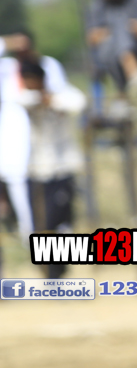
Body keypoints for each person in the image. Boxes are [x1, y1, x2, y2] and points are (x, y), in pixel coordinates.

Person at [15, 58, 86, 279]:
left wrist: (52, 99)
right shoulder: (27, 97)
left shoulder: (61, 95)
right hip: (37, 170)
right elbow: (24, 99)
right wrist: (44, 99)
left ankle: (58, 271)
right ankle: (50, 273)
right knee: (40, 226)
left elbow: (78, 103)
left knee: (58, 222)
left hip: (62, 169)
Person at [0, 31, 73, 242]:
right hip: (13, 140)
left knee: (54, 206)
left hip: (48, 150)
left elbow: (64, 96)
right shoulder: (7, 68)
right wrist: (7, 42)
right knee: (20, 189)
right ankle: (30, 235)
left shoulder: (48, 65)